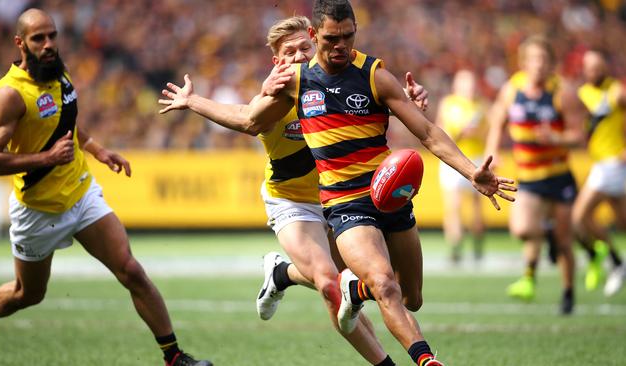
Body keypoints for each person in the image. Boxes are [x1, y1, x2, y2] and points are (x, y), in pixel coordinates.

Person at [247, 1, 516, 365]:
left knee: (411, 297)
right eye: (330, 39)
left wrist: (469, 169)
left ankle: (300, 277)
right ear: (311, 38)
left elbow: (425, 131)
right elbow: (246, 119)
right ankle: (419, 361)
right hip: (319, 202)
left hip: (376, 195)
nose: (339, 45)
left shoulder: (369, 75)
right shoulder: (287, 86)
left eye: (347, 36)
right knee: (359, 282)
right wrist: (195, 100)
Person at [159, 15, 428, 366]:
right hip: (292, 203)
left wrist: (408, 102)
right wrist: (193, 101)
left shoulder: (341, 82)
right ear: (278, 61)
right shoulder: (278, 94)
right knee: (332, 284)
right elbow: (245, 116)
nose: (300, 55)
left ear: (316, 44)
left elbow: (381, 108)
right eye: (290, 51)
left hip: (339, 199)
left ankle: (281, 273)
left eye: (305, 47)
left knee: (390, 286)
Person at [0, 9, 211, 366]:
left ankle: (174, 357)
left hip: (81, 194)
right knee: (28, 294)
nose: (49, 44)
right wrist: (46, 159)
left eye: (52, 35)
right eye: (39, 38)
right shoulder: (9, 94)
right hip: (37, 210)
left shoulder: (58, 71)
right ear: (20, 43)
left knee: (130, 270)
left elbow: (64, 120)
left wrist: (98, 150)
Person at [485, 35, 586, 314]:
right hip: (528, 176)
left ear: (551, 63)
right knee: (523, 229)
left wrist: (555, 138)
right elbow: (497, 120)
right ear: (524, 62)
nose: (539, 66)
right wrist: (493, 152)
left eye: (544, 60)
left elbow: (579, 135)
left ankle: (568, 294)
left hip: (558, 176)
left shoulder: (562, 93)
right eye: (533, 60)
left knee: (565, 242)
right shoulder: (512, 88)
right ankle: (547, 234)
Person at [574, 49, 626, 296]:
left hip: (614, 164)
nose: (593, 71)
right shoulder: (582, 94)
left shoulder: (616, 91)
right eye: (589, 67)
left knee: (580, 216)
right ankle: (617, 262)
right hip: (600, 164)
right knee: (620, 221)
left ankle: (615, 262)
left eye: (598, 66)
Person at [435, 70, 488, 263]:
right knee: (453, 205)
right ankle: (455, 246)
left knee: (476, 207)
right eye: (465, 83)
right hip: (452, 158)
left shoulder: (482, 106)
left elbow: (488, 134)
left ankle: (477, 243)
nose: (469, 88)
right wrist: (460, 133)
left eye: (472, 83)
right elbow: (440, 131)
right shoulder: (448, 104)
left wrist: (477, 134)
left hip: (476, 158)